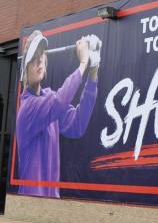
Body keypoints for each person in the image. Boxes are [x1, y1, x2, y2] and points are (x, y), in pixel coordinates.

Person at [16, 30, 101, 198]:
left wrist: (93, 71)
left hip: (51, 201)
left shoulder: (49, 98)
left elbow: (77, 125)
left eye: (42, 58)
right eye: (34, 60)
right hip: (30, 202)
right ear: (25, 70)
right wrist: (83, 62)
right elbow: (60, 101)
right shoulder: (28, 108)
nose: (39, 63)